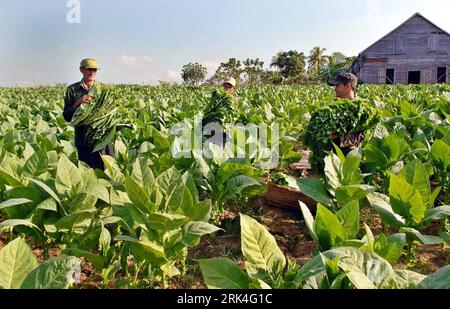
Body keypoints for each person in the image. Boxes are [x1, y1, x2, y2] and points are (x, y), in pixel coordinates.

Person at [63, 58, 114, 170]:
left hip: (102, 139)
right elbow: (66, 116)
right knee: (87, 172)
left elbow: (111, 112)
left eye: (94, 70)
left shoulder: (104, 89)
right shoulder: (72, 90)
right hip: (83, 139)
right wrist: (77, 103)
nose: (92, 73)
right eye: (89, 69)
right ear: (82, 70)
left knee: (106, 173)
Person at [328, 72, 365, 154]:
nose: (335, 89)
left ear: (348, 86)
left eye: (338, 86)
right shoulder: (335, 105)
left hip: (349, 155)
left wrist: (335, 135)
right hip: (332, 152)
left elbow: (359, 137)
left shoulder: (360, 109)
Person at [202, 77, 238, 146]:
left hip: (226, 130)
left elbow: (233, 117)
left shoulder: (234, 101)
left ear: (233, 89)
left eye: (229, 86)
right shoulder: (216, 98)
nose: (227, 88)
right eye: (225, 86)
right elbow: (209, 110)